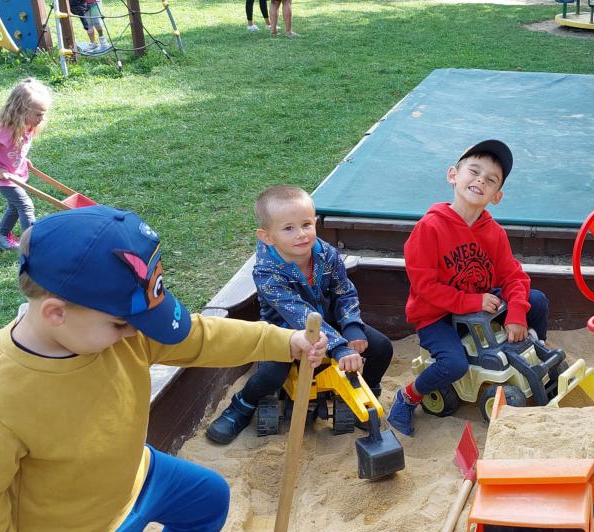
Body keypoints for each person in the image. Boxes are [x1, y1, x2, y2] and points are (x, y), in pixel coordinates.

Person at [0, 205, 328, 532]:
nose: (135, 332)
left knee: (208, 499)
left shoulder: (117, 331)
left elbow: (201, 339)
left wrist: (283, 341)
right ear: (55, 313)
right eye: (121, 324)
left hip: (138, 475)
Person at [205, 185, 394, 444]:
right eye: (288, 228)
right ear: (267, 236)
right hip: (285, 329)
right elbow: (297, 312)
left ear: (315, 222)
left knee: (381, 347)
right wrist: (339, 347)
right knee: (273, 374)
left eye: (306, 224)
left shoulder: (327, 254)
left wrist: (351, 326)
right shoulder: (267, 272)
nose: (301, 234)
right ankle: (242, 405)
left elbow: (344, 291)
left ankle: (367, 390)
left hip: (330, 322)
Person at [387, 139, 549, 437]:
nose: (480, 180)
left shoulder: (494, 232)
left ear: (497, 196)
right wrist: (471, 302)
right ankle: (409, 397)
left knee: (536, 301)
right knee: (454, 364)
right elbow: (425, 287)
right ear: (453, 175)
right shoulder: (429, 228)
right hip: (436, 315)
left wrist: (516, 314)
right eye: (474, 171)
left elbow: (514, 277)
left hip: (480, 306)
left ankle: (534, 355)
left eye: (491, 179)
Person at [0, 78, 51, 253]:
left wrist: (22, 160)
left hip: (13, 171)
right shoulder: (6, 131)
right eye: (39, 114)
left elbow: (14, 148)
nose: (42, 118)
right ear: (22, 111)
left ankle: (1, 237)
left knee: (15, 206)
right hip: (1, 175)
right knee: (25, 206)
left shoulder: (27, 125)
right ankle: (32, 245)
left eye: (44, 114)